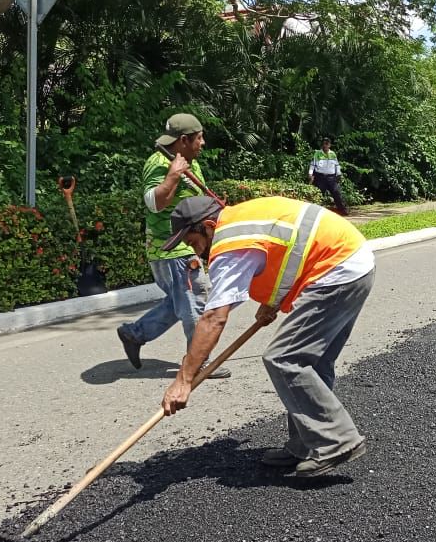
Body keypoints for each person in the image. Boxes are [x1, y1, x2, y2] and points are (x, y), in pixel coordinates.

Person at [159, 194, 374, 478]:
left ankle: (336, 440)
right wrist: (273, 300)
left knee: (284, 358)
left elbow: (213, 318)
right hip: (352, 264)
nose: (197, 253)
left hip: (337, 272)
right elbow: (289, 251)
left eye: (193, 243)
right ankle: (307, 443)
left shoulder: (230, 244)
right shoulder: (241, 220)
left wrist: (184, 380)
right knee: (313, 362)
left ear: (208, 226)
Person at [116, 114, 230, 379]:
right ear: (183, 140)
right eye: (199, 137)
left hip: (186, 246)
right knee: (194, 301)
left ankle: (134, 334)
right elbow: (153, 203)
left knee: (180, 302)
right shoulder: (158, 163)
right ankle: (199, 362)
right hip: (172, 249)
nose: (203, 142)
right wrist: (172, 177)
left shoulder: (192, 162)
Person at [309, 137, 348, 215]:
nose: (325, 145)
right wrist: (310, 174)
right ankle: (314, 213)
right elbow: (312, 164)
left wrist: (339, 174)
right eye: (324, 144)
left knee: (336, 192)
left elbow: (337, 165)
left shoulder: (332, 154)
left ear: (329, 145)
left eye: (327, 144)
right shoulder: (317, 153)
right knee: (319, 195)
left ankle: (342, 211)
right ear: (322, 145)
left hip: (331, 177)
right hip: (320, 177)